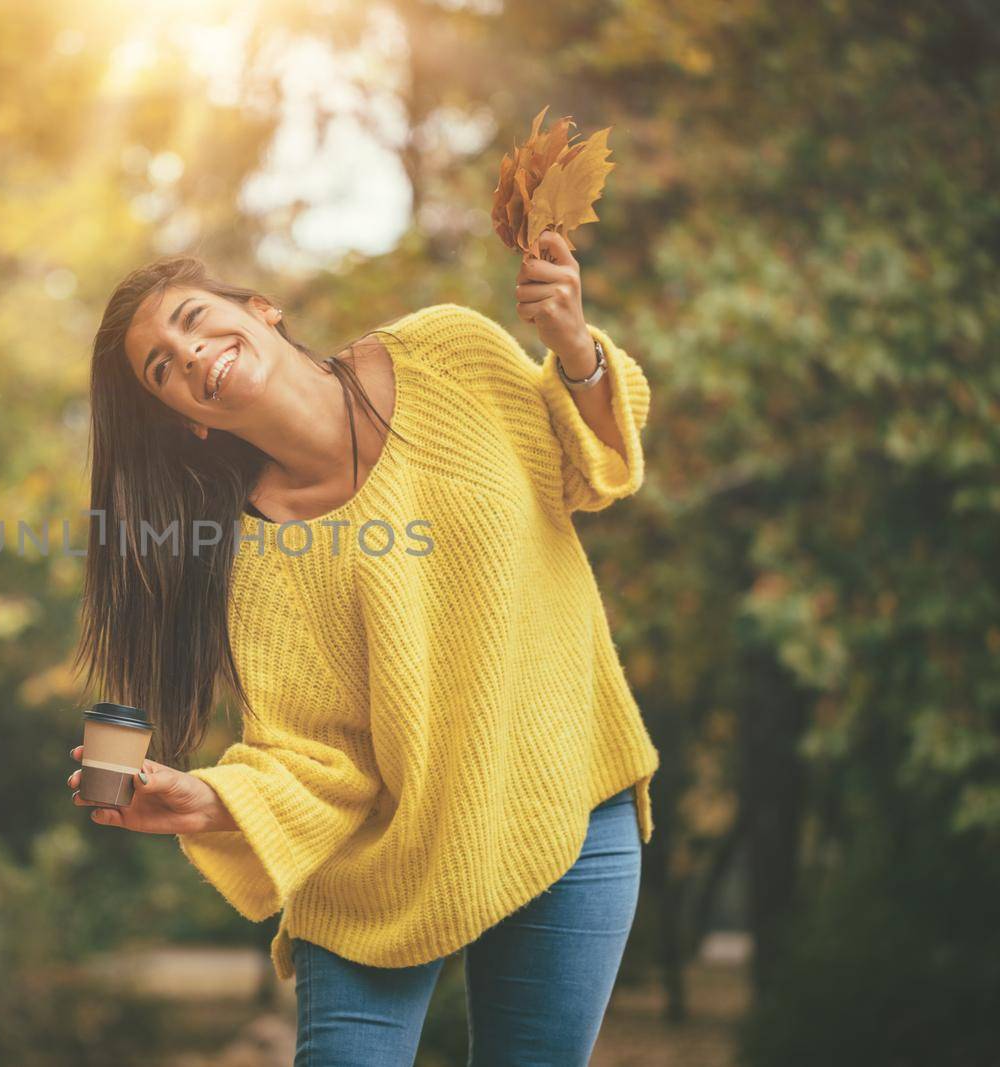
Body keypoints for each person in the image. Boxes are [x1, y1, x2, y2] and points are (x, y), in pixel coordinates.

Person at [67, 230, 660, 1066]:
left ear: (260, 309)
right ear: (184, 420)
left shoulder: (448, 352)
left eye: (193, 319)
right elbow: (316, 753)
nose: (192, 353)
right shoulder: (254, 557)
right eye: (162, 368)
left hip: (562, 798)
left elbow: (588, 464)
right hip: (378, 865)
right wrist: (211, 802)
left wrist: (574, 348)